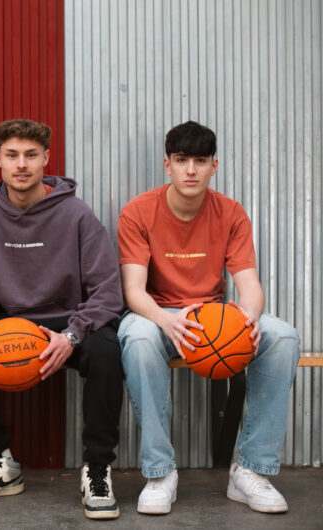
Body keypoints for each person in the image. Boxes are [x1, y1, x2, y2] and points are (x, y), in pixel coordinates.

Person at [117, 120, 300, 515]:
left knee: (282, 337)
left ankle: (250, 470)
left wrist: (248, 319)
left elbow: (249, 285)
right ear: (167, 164)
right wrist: (166, 320)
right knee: (138, 338)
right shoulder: (137, 212)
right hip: (157, 313)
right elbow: (133, 292)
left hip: (213, 315)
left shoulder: (231, 213)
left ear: (213, 166)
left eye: (200, 161)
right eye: (182, 160)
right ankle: (160, 472)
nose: (190, 170)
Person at [0, 119, 125, 520]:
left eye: (31, 155)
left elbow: (108, 291)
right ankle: (1, 463)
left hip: (64, 323)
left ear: (46, 159)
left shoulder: (77, 215)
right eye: (12, 155)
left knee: (105, 350)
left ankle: (97, 468)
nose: (22, 165)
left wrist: (72, 334)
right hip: (3, 323)